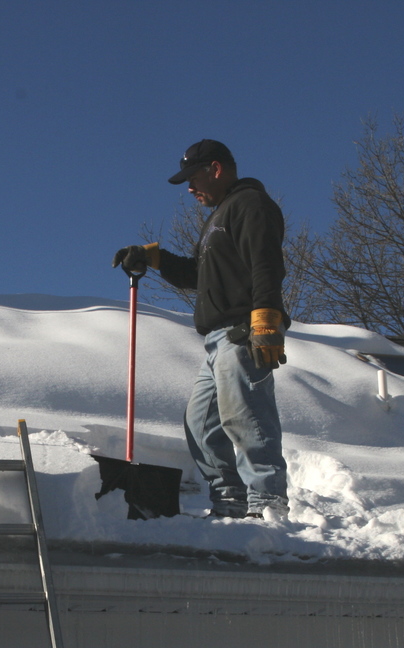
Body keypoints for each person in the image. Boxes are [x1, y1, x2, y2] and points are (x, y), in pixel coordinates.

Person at [113, 139, 290, 521]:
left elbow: (266, 263)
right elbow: (198, 275)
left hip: (243, 330)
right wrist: (153, 257)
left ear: (216, 169)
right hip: (215, 341)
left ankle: (267, 504)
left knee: (247, 417)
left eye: (193, 178)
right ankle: (231, 501)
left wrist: (266, 318)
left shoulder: (250, 204)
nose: (190, 189)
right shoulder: (217, 219)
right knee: (201, 425)